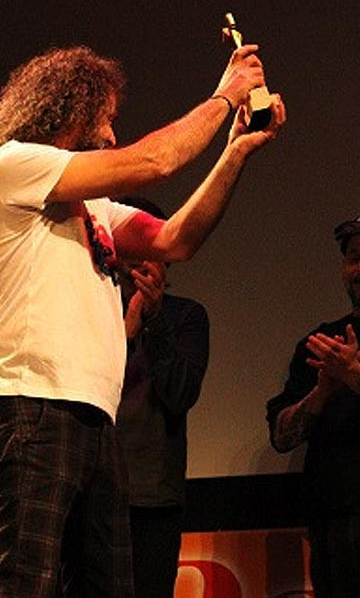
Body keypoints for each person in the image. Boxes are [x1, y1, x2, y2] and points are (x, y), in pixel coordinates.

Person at [0, 43, 285, 597]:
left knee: (108, 589)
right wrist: (221, 98)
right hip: (32, 406)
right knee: (26, 586)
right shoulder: (11, 166)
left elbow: (173, 240)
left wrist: (235, 152)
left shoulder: (94, 211)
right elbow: (154, 162)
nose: (112, 136)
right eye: (106, 120)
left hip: (95, 417)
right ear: (72, 110)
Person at [265, 210, 360, 598]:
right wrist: (323, 392)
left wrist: (355, 376)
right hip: (330, 520)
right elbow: (282, 436)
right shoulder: (320, 341)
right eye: (353, 258)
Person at [113, 195, 210, 598]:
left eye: (149, 249)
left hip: (152, 495)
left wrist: (152, 321)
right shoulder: (89, 312)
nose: (140, 261)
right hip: (93, 492)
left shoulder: (185, 316)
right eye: (130, 250)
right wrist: (128, 329)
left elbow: (181, 394)